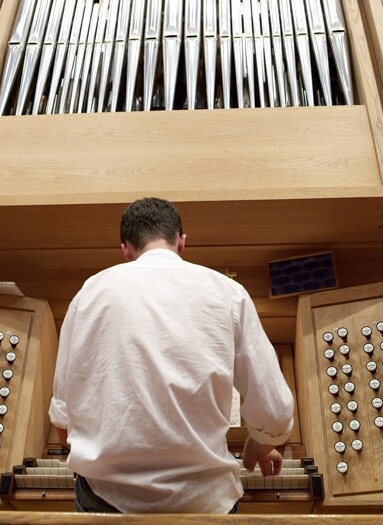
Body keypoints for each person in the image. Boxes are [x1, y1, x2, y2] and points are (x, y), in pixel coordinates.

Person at [48, 197, 294, 514]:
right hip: (205, 502)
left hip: (106, 499)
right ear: (181, 242)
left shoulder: (90, 292)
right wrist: (257, 446)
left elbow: (64, 421)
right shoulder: (228, 293)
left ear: (125, 249)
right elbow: (275, 412)